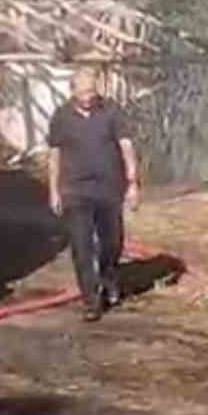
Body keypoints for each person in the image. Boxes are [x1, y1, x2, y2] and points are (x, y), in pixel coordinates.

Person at [47, 68, 140, 322]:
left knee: (112, 241)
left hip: (108, 187)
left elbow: (126, 145)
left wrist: (132, 182)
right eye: (83, 92)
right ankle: (91, 299)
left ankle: (109, 276)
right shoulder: (62, 117)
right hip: (75, 190)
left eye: (92, 91)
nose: (88, 97)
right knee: (81, 245)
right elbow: (54, 154)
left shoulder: (111, 111)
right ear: (72, 91)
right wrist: (54, 190)